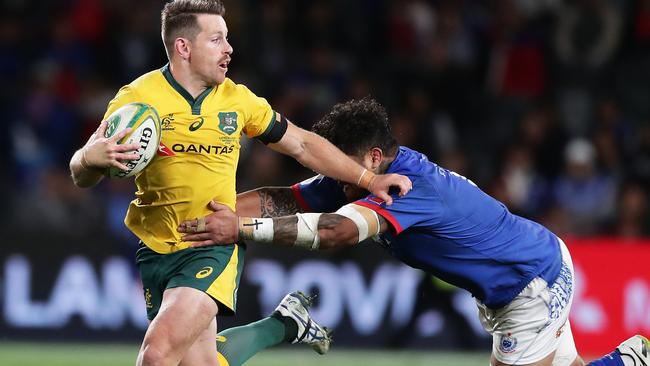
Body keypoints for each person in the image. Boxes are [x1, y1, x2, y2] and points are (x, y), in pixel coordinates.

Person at [179, 97, 650, 366]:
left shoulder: (408, 187)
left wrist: (239, 229)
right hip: (523, 270)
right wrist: (199, 213)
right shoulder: (356, 175)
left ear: (373, 159)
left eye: (341, 164)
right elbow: (285, 198)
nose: (334, 175)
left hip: (529, 280)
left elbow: (336, 233)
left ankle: (630, 359)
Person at [68, 1, 411, 364]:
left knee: (157, 354)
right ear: (184, 47)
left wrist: (368, 178)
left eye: (227, 39)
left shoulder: (238, 100)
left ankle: (281, 325)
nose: (229, 48)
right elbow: (82, 172)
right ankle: (283, 325)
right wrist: (90, 158)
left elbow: (303, 144)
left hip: (211, 244)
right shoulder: (137, 98)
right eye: (216, 39)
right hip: (155, 247)